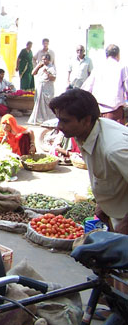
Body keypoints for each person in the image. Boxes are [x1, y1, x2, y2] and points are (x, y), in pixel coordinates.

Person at [49, 88, 128, 234]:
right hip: (116, 214)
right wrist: (103, 204)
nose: (59, 126)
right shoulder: (85, 132)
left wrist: (123, 228)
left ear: (86, 120)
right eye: (59, 119)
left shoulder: (115, 149)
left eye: (65, 121)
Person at [82, 44, 128, 125]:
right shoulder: (122, 67)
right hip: (115, 112)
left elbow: (86, 88)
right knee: (116, 136)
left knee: (100, 136)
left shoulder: (98, 68)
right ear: (118, 55)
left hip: (98, 111)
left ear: (106, 55)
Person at [28, 53, 56, 125]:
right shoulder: (40, 67)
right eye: (42, 59)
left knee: (47, 104)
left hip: (47, 87)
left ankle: (49, 119)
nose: (43, 61)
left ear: (49, 60)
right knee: (38, 103)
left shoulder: (51, 68)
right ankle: (38, 119)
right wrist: (38, 66)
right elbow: (33, 73)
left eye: (45, 59)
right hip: (40, 87)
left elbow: (53, 78)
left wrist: (47, 73)